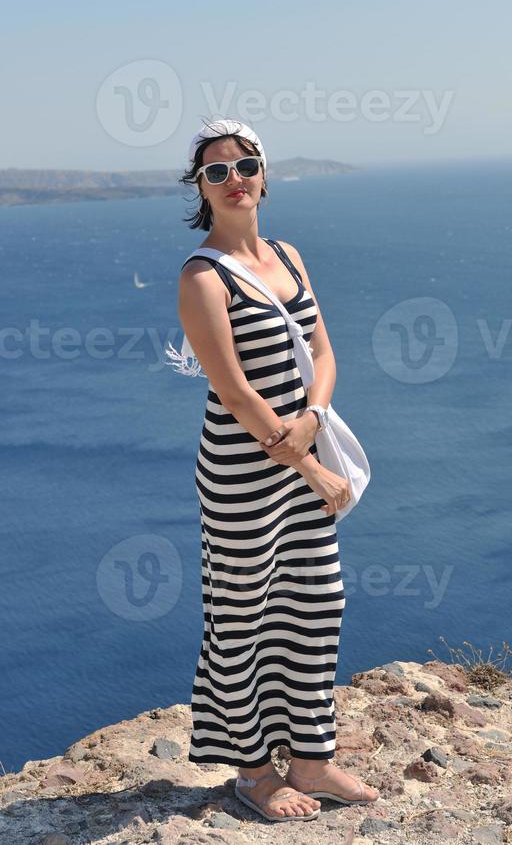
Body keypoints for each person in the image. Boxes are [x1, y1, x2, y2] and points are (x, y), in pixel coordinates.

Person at [175, 118, 380, 822]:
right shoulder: (202, 277)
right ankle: (256, 773)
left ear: (264, 173)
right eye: (216, 171)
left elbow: (323, 356)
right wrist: (314, 471)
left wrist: (315, 422)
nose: (234, 179)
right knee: (242, 620)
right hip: (242, 474)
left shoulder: (289, 256)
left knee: (316, 605)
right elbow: (232, 391)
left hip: (299, 446)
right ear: (200, 189)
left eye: (245, 164)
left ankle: (314, 760)